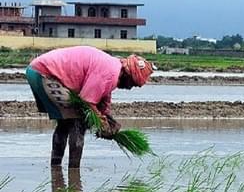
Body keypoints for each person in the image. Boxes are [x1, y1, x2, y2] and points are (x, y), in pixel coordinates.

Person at [25, 46, 155, 168]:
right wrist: (102, 124)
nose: (130, 88)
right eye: (132, 84)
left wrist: (108, 120)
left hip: (39, 70)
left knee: (65, 123)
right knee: (78, 122)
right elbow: (87, 101)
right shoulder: (109, 73)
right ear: (127, 75)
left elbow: (103, 102)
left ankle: (56, 168)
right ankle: (74, 172)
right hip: (45, 73)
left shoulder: (113, 69)